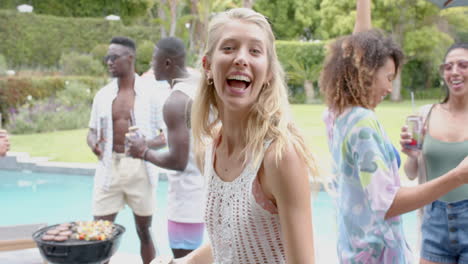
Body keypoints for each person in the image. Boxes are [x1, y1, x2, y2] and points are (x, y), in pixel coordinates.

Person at [152, 7, 321, 264]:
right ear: (207, 66)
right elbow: (229, 244)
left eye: (255, 51)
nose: (241, 59)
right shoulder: (208, 148)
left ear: (268, 73)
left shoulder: (279, 156)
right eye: (229, 48)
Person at [321, 1, 468, 263]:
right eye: (388, 78)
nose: (390, 89)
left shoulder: (337, 115)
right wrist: (458, 176)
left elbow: (357, 50)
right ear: (365, 73)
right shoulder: (363, 123)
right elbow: (387, 203)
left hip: (352, 252)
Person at [86, 36, 166, 264]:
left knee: (144, 232)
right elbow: (91, 131)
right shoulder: (102, 95)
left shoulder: (151, 94)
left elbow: (166, 135)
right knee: (99, 234)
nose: (108, 62)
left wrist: (145, 145)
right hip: (109, 166)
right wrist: (93, 143)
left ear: (129, 58)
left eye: (114, 57)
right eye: (107, 58)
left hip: (140, 168)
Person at [127, 37, 205, 258]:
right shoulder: (198, 83)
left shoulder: (175, 101)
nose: (151, 65)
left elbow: (178, 162)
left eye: (154, 59)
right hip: (207, 190)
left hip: (187, 199)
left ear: (168, 63)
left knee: (184, 260)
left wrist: (142, 151)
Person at [401, 42, 468, 264]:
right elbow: (411, 174)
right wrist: (411, 156)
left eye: (463, 65)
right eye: (448, 67)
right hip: (435, 220)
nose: (455, 72)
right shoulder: (425, 114)